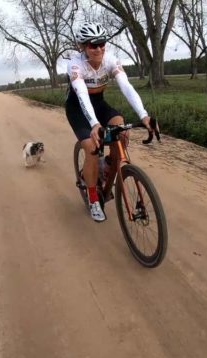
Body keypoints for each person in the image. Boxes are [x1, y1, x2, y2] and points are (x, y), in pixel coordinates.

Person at [66, 22, 153, 222]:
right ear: (82, 46)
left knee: (120, 128)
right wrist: (95, 124)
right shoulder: (75, 64)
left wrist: (144, 115)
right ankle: (94, 197)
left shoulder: (110, 60)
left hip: (99, 104)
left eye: (102, 43)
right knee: (92, 148)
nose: (98, 49)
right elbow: (81, 94)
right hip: (78, 108)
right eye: (92, 45)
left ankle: (108, 165)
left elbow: (127, 87)